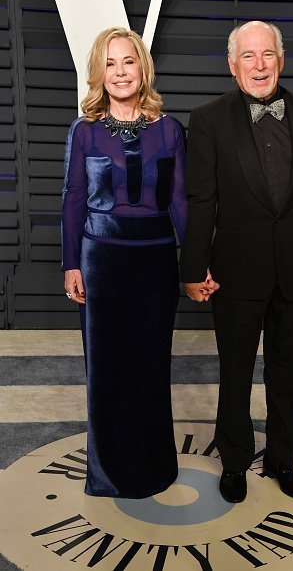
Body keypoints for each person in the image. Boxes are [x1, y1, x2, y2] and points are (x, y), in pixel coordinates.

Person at [180, 21, 293, 503]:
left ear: (282, 59)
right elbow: (200, 200)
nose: (259, 64)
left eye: (267, 54)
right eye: (248, 56)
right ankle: (234, 462)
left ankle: (282, 460)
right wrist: (192, 268)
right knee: (234, 373)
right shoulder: (208, 119)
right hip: (235, 272)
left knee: (288, 372)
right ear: (233, 65)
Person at [62, 27, 187, 498]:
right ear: (99, 72)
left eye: (128, 62)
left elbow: (180, 201)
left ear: (143, 68)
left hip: (155, 262)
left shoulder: (169, 129)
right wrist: (70, 263)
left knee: (152, 365)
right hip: (101, 261)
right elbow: (73, 199)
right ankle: (109, 473)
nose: (120, 72)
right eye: (110, 63)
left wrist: (196, 263)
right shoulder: (85, 130)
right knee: (108, 368)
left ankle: (154, 467)